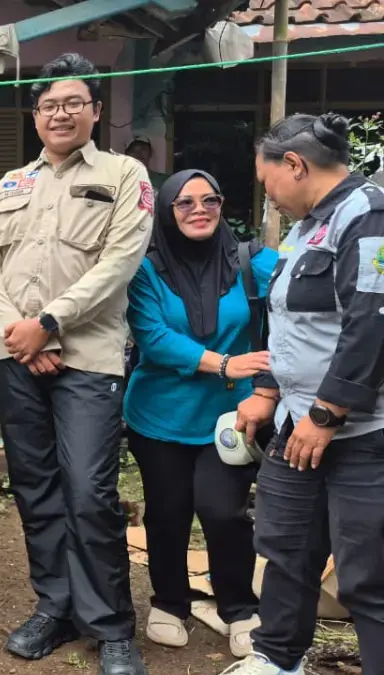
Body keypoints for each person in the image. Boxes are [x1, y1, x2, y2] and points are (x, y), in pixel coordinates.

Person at [0, 53, 154, 675]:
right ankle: (56, 605)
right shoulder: (10, 184)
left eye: (74, 103)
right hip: (17, 359)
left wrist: (49, 324)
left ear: (96, 112)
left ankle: (110, 627)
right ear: (35, 114)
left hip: (88, 359)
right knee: (36, 488)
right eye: (49, 104)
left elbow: (119, 262)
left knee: (90, 492)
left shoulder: (126, 174)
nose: (60, 113)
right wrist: (20, 333)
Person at [223, 113, 384, 675]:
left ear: (294, 165)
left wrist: (328, 411)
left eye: (268, 186)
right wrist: (267, 390)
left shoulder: (368, 216)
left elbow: (372, 321)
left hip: (360, 433)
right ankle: (276, 657)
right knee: (285, 545)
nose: (268, 200)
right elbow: (287, 324)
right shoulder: (305, 227)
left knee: (367, 570)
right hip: (298, 422)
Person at [124, 170, 277, 657]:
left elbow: (306, 288)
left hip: (231, 418)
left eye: (209, 200)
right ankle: (170, 601)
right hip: (159, 415)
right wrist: (226, 363)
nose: (199, 210)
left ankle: (238, 607)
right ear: (166, 211)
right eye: (185, 203)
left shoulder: (251, 262)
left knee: (223, 512)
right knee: (167, 513)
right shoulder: (145, 269)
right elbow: (154, 337)